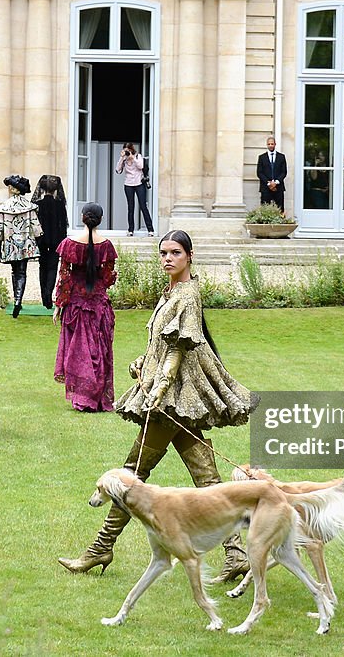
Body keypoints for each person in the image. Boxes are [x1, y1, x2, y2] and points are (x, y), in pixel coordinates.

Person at [58, 230, 259, 581]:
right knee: (207, 479)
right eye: (163, 252)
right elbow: (163, 344)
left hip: (170, 404)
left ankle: (100, 548)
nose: (167, 258)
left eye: (175, 253)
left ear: (190, 256)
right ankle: (237, 553)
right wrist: (143, 362)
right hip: (172, 400)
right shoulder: (172, 292)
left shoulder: (188, 295)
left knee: (129, 475)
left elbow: (180, 348)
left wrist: (160, 387)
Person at [53, 203, 118, 412]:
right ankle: (96, 398)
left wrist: (58, 305)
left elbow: (63, 278)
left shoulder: (69, 243)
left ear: (82, 217)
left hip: (76, 305)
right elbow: (107, 279)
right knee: (100, 350)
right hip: (98, 304)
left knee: (78, 351)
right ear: (100, 219)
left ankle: (83, 397)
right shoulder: (106, 245)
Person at [0, 175, 43, 318]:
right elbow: (37, 228)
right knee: (22, 271)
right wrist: (38, 243)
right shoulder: (29, 207)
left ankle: (17, 300)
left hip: (10, 244)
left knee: (14, 271)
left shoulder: (4, 207)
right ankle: (18, 300)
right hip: (25, 243)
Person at [33, 175, 70, 309]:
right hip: (56, 240)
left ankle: (45, 296)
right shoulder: (60, 205)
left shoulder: (37, 205)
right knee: (53, 267)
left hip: (41, 240)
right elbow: (63, 225)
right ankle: (49, 293)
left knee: (42, 266)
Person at [116, 143, 154, 237]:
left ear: (131, 149)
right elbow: (117, 170)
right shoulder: (124, 159)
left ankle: (150, 229)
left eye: (128, 150)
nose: (127, 152)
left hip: (139, 183)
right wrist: (122, 158)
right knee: (130, 207)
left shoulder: (138, 156)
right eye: (125, 150)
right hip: (128, 184)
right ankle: (130, 230)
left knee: (143, 206)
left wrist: (133, 157)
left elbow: (141, 166)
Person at [256, 136, 288, 213]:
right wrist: (269, 183)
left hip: (278, 187)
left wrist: (276, 182)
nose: (270, 145)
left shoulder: (281, 157)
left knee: (280, 209)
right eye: (269, 144)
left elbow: (284, 172)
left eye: (272, 144)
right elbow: (259, 173)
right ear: (267, 145)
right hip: (265, 188)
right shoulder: (262, 157)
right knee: (265, 209)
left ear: (275, 144)